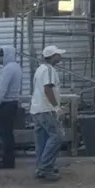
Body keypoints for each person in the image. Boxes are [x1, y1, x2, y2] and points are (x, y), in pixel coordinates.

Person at [31, 45, 65, 181]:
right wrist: (56, 107)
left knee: (42, 140)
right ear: (52, 57)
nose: (60, 56)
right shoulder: (49, 70)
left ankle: (40, 167)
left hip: (37, 109)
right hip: (46, 109)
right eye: (58, 54)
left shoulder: (40, 69)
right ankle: (46, 168)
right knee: (57, 136)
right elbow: (48, 89)